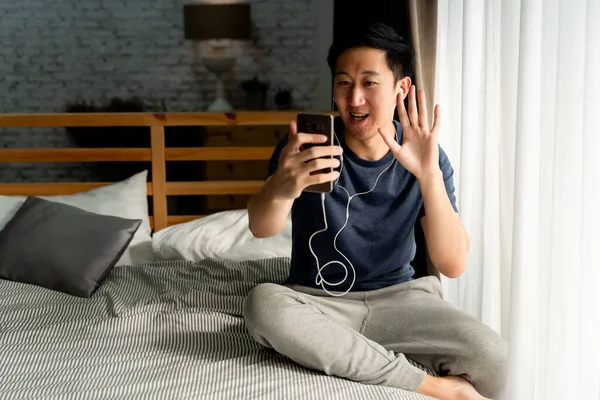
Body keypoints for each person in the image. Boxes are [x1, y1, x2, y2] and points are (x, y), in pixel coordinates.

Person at [243, 22, 507, 400]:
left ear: (401, 88)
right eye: (344, 83)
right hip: (317, 303)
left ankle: (348, 353)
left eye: (369, 83)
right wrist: (283, 187)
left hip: (401, 302)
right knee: (263, 304)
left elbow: (452, 264)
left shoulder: (427, 156)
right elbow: (260, 228)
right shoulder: (306, 146)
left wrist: (428, 175)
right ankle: (436, 388)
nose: (354, 100)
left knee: (496, 356)